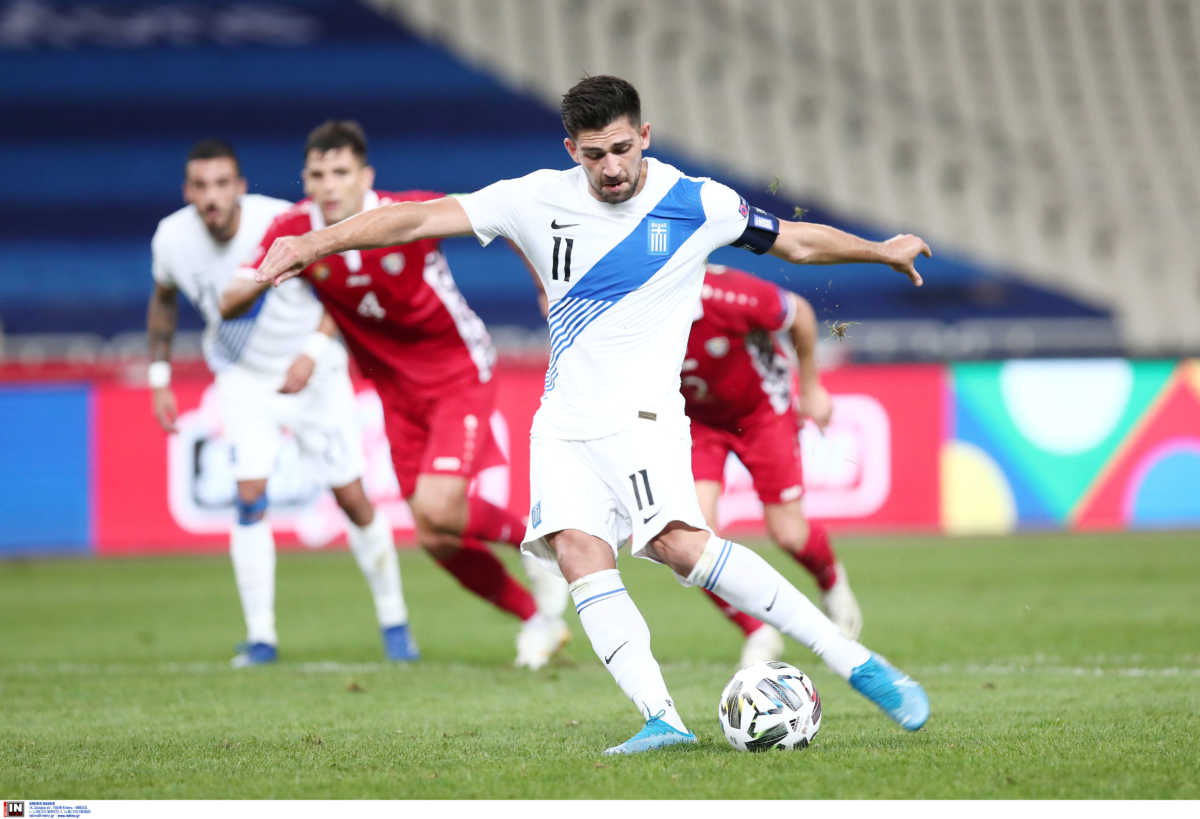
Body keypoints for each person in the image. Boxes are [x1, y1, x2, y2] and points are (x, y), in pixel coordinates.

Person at [252, 77, 933, 753]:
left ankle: (853, 660)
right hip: (561, 423)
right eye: (593, 154)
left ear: (644, 136)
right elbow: (417, 219)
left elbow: (796, 243)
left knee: (678, 545)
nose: (610, 168)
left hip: (642, 416)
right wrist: (315, 243)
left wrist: (881, 251)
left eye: (621, 149)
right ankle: (661, 717)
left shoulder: (697, 203)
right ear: (571, 150)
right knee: (576, 551)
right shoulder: (534, 197)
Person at [219, 121, 569, 670]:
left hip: (456, 370)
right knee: (434, 535)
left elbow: (506, 220)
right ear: (304, 181)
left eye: (341, 172)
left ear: (366, 177)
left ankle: (544, 541)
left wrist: (545, 289)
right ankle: (536, 618)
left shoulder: (406, 213)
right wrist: (257, 281)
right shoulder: (295, 231)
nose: (329, 185)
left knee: (438, 506)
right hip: (393, 389)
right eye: (318, 175)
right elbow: (232, 299)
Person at [147, 139, 416, 668]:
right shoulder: (172, 238)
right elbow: (164, 300)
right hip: (243, 377)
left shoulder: (282, 222)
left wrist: (313, 352)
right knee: (249, 496)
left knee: (352, 498)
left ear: (240, 187)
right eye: (200, 186)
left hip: (313, 371)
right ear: (187, 192)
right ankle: (261, 638)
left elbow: (345, 289)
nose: (212, 197)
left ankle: (395, 623)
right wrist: (159, 378)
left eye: (221, 184)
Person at [684, 263, 862, 669]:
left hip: (763, 412)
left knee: (789, 534)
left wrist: (811, 388)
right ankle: (757, 631)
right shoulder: (635, 301)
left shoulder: (729, 294)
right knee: (692, 541)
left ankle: (831, 581)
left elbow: (800, 313)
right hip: (696, 422)